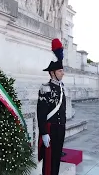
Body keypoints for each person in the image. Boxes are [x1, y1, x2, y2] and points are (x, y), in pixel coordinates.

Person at [37, 38, 66, 175]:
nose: (62, 73)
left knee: (56, 160)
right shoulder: (45, 88)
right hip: (50, 129)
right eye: (60, 71)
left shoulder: (62, 88)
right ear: (52, 72)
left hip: (60, 128)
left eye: (62, 70)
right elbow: (41, 113)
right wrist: (43, 132)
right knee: (48, 162)